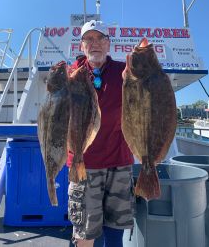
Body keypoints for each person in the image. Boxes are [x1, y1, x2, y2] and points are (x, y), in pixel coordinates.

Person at [66, 20, 135, 247]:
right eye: (89, 39)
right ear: (82, 45)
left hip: (120, 162)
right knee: (85, 231)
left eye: (100, 39)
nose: (94, 44)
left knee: (116, 229)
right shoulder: (72, 74)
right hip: (83, 164)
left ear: (108, 44)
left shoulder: (124, 71)